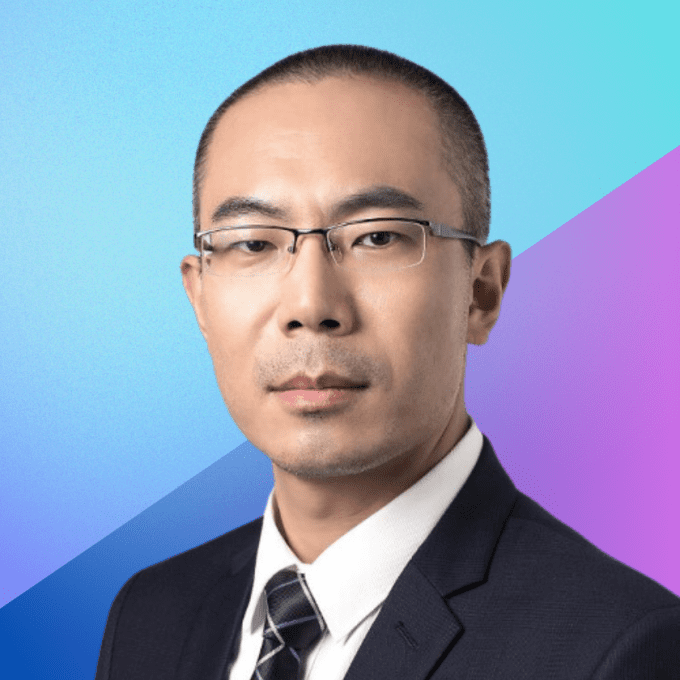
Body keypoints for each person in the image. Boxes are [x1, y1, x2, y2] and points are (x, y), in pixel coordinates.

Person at [95, 45, 680, 680]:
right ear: (200, 297)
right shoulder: (151, 614)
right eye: (255, 242)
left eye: (377, 236)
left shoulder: (621, 648)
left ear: (482, 293)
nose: (310, 305)